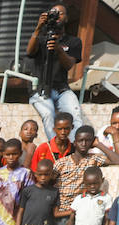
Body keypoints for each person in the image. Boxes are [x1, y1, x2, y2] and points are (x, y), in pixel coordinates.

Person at [26, 3, 86, 140]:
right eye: (53, 13)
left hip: (61, 89)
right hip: (40, 89)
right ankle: (56, 150)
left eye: (60, 13)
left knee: (75, 114)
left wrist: (58, 49)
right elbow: (29, 52)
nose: (57, 16)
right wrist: (38, 28)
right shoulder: (41, 38)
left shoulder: (73, 41)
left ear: (66, 18)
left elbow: (69, 65)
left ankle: (76, 148)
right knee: (48, 114)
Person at [13, 158, 59, 225]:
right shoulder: (28, 191)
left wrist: (72, 211)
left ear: (51, 175)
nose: (43, 177)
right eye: (40, 174)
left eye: (46, 174)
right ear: (35, 174)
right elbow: (20, 212)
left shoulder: (54, 192)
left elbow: (55, 213)